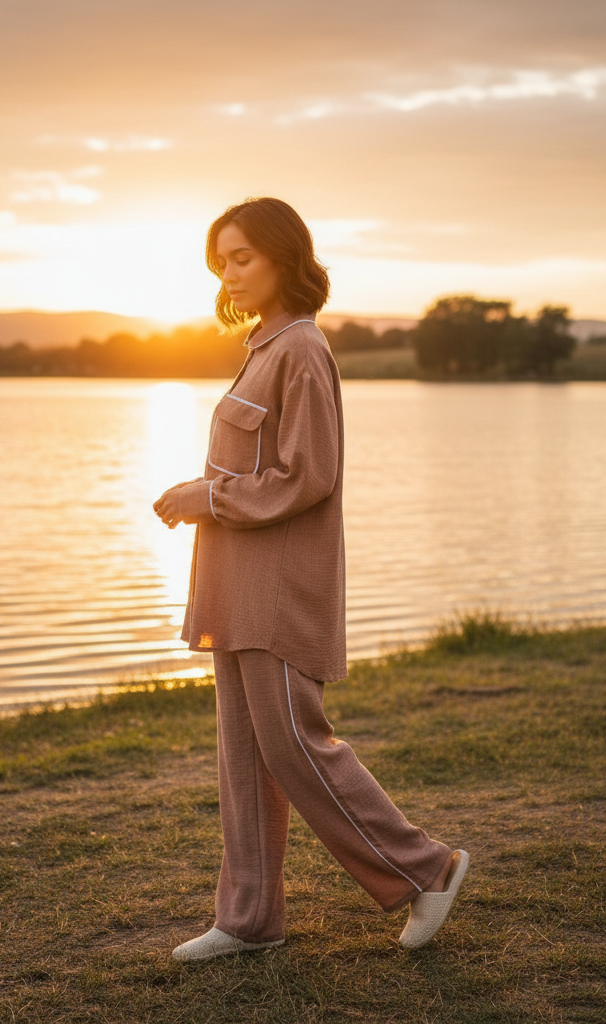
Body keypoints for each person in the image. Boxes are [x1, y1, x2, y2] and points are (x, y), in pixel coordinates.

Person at [153, 197, 468, 961]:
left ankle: (427, 869)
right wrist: (212, 505)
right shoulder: (262, 347)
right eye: (220, 261)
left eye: (242, 258)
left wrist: (207, 497)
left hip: (280, 588)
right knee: (245, 753)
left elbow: (310, 476)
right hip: (235, 583)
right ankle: (250, 917)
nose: (228, 274)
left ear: (284, 259)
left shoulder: (300, 350)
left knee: (295, 742)